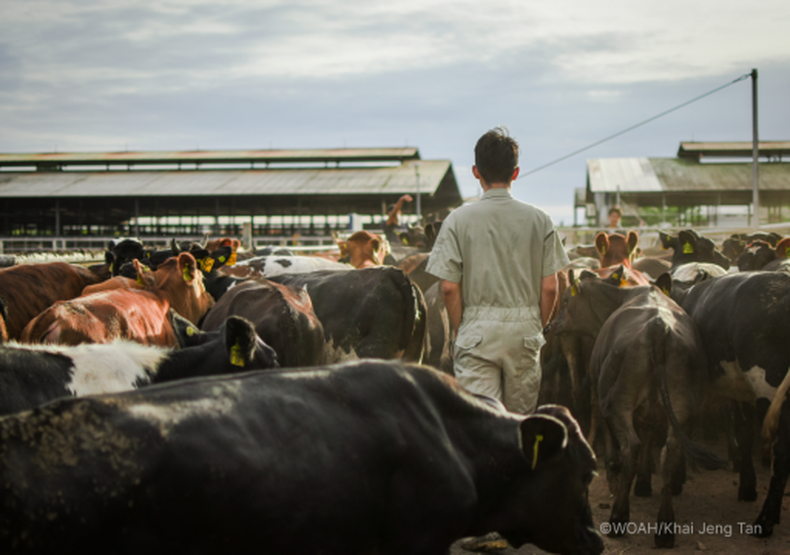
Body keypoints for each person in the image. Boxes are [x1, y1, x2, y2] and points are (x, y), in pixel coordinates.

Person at [425, 127, 569, 415]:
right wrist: (534, 326)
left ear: (476, 172)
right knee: (519, 423)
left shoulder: (457, 220)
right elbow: (551, 287)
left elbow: (449, 287)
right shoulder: (540, 220)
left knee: (481, 421)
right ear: (515, 173)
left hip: (476, 329)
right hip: (525, 328)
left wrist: (460, 329)